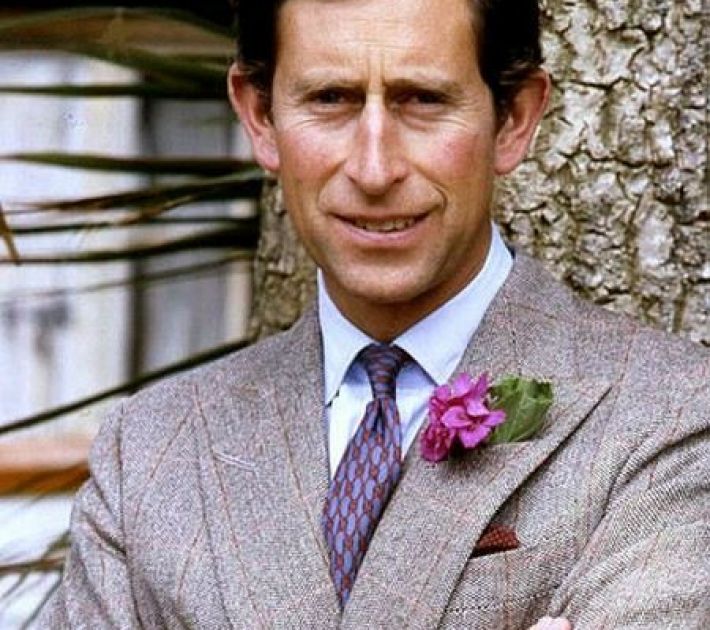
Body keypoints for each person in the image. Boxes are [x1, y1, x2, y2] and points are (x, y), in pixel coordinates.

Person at [40, 0, 709, 628]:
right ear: (260, 116)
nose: (374, 167)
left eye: (423, 100)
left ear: (514, 119)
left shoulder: (671, 420)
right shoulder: (152, 454)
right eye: (330, 99)